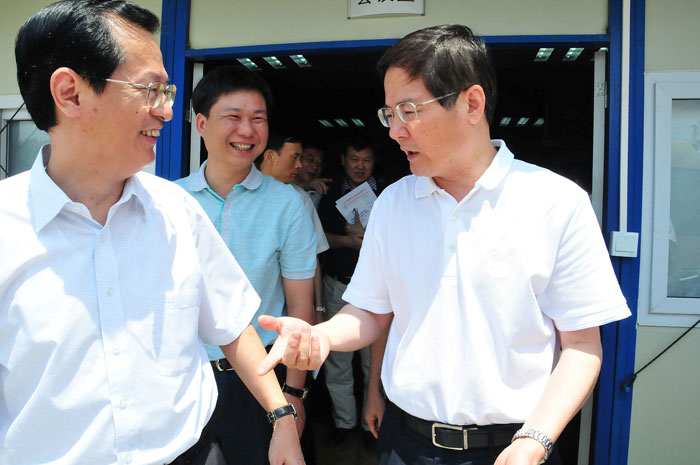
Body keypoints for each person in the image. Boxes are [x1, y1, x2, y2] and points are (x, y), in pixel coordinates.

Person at [258, 24, 631, 465]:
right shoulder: (395, 202)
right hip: (405, 443)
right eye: (389, 114)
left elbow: (582, 347)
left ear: (471, 103)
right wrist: (321, 336)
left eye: (409, 111)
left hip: (515, 446)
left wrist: (535, 442)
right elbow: (371, 312)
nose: (395, 131)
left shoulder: (556, 202)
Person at [1, 1, 303, 465]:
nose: (167, 110)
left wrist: (282, 417)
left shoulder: (176, 211)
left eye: (168, 91)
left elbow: (230, 323)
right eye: (150, 90)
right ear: (70, 94)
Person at [175, 65, 316, 464]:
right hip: (186, 376)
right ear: (202, 124)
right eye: (233, 117)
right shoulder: (170, 201)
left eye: (258, 119)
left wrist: (293, 393)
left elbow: (299, 308)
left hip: (262, 380)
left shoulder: (288, 205)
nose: (247, 130)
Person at [316, 135, 384, 447]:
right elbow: (316, 238)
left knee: (374, 363)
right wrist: (347, 240)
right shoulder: (329, 195)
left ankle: (373, 426)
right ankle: (344, 423)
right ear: (343, 160)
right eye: (354, 159)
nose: (360, 166)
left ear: (374, 163)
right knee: (338, 361)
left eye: (366, 160)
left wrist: (367, 238)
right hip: (338, 285)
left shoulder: (388, 195)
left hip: (377, 292)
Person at [259, 132, 330, 324]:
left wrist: (318, 308)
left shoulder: (300, 198)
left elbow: (312, 258)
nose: (299, 165)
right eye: (294, 158)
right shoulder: (238, 192)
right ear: (269, 156)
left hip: (287, 314)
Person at [296, 142, 330, 208]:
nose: (315, 166)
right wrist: (303, 187)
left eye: (319, 163)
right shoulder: (279, 185)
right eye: (310, 160)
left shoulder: (320, 195)